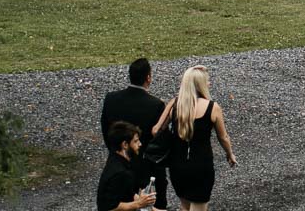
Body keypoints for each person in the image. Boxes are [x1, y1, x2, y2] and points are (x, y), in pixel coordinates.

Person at [158, 66, 237, 211]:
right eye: (207, 81)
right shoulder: (213, 108)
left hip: (177, 165)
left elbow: (157, 129)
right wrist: (229, 154)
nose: (209, 84)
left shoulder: (175, 104)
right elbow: (223, 137)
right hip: (201, 167)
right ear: (200, 85)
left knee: (185, 206)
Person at [101, 58, 170, 210]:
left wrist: (117, 151)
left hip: (118, 160)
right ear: (148, 78)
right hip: (147, 166)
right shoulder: (155, 105)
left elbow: (106, 131)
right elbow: (160, 141)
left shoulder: (111, 99)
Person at [98, 121, 157, 211]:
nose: (140, 144)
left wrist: (141, 199)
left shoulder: (117, 160)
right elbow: (109, 207)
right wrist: (138, 204)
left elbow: (125, 192)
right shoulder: (120, 173)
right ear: (125, 145)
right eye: (136, 141)